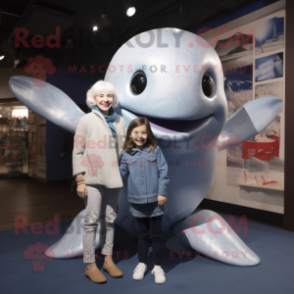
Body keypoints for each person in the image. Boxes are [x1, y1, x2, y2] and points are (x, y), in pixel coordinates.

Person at [72, 80, 126, 284]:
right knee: (91, 221)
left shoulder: (120, 120)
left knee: (110, 220)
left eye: (109, 96)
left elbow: (121, 152)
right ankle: (90, 265)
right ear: (93, 99)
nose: (105, 99)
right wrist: (79, 180)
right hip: (91, 178)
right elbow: (77, 151)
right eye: (101, 96)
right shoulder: (85, 120)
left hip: (113, 179)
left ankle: (108, 261)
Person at [119, 117, 170, 284]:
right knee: (142, 235)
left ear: (148, 134)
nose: (140, 136)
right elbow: (120, 175)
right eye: (136, 132)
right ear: (130, 134)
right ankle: (142, 263)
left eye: (143, 132)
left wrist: (162, 192)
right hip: (137, 202)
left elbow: (163, 172)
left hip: (156, 201)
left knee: (156, 235)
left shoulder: (155, 151)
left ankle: (157, 266)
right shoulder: (126, 154)